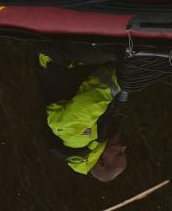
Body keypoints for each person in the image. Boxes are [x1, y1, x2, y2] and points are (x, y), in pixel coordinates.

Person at [37, 50, 128, 181]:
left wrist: (122, 78)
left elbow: (92, 99)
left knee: (123, 53)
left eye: (119, 153)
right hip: (77, 60)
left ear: (101, 161)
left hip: (59, 56)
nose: (123, 147)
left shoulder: (78, 140)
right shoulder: (97, 137)